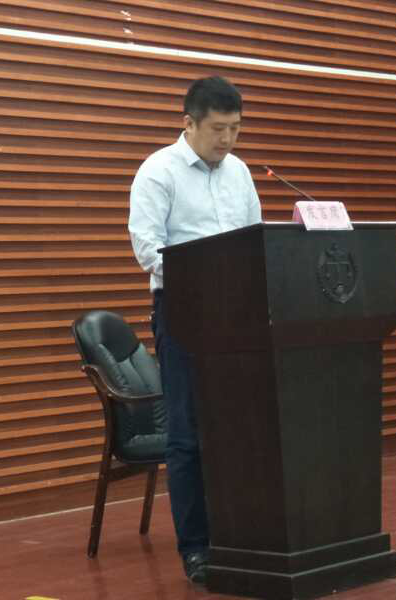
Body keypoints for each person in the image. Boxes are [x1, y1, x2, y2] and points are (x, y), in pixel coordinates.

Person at [128, 75, 262, 584]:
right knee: (186, 435)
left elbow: (253, 239)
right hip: (183, 310)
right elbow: (147, 248)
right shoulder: (157, 171)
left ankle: (242, 532)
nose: (227, 139)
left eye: (236, 128)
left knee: (240, 429)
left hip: (238, 315)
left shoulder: (240, 172)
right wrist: (207, 273)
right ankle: (196, 547)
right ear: (189, 123)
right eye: (218, 129)